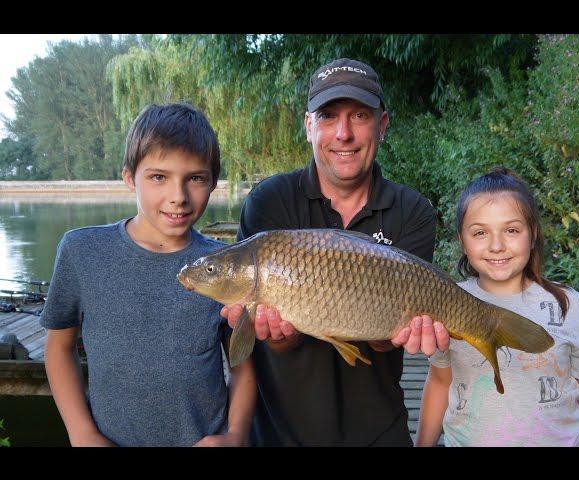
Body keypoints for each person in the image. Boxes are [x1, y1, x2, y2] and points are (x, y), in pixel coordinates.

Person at [221, 58, 450, 446]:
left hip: (379, 430)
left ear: (382, 125)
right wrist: (279, 336)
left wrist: (401, 330)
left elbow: (384, 338)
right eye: (328, 116)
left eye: (359, 115)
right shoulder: (268, 202)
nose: (343, 133)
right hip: (281, 434)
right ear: (309, 126)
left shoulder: (412, 211)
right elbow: (268, 340)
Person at [41, 103, 256, 447]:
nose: (178, 197)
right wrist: (81, 433)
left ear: (213, 182)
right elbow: (59, 347)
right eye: (159, 177)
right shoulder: (82, 251)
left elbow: (243, 365)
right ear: (129, 177)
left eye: (196, 179)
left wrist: (235, 435)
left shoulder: (226, 265)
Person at [415, 166, 579, 447]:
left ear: (533, 233)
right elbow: (440, 383)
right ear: (462, 241)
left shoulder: (565, 304)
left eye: (512, 230)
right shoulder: (445, 301)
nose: (497, 245)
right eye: (480, 233)